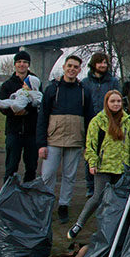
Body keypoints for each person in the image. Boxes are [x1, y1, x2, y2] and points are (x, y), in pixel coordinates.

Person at [69, 89, 130, 240]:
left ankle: (118, 229)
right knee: (97, 197)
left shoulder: (127, 122)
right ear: (107, 103)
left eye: (118, 101)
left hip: (122, 167)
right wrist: (92, 163)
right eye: (112, 101)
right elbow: (91, 145)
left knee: (121, 199)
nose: (116, 104)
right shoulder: (98, 121)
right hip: (103, 167)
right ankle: (79, 224)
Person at [37, 54, 92, 224]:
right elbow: (43, 117)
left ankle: (63, 206)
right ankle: (45, 205)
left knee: (70, 176)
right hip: (53, 140)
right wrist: (41, 144)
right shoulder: (52, 88)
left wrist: (87, 144)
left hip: (75, 141)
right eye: (70, 66)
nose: (72, 69)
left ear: (79, 69)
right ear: (64, 67)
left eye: (76, 67)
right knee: (47, 175)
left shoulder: (84, 91)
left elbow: (89, 118)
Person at [81, 52, 120, 199]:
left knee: (109, 154)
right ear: (94, 64)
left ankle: (109, 185)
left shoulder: (113, 82)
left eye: (105, 63)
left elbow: (118, 101)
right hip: (90, 123)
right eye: (100, 63)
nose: (102, 65)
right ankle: (90, 187)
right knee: (90, 154)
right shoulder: (85, 82)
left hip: (109, 124)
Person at [0, 50, 41, 182]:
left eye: (25, 62)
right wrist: (14, 111)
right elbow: (3, 107)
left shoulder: (35, 82)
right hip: (13, 131)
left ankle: (28, 194)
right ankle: (8, 195)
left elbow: (39, 102)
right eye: (19, 62)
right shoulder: (7, 85)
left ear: (28, 65)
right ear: (15, 64)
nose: (22, 65)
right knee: (11, 167)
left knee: (31, 167)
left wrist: (26, 110)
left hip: (31, 132)